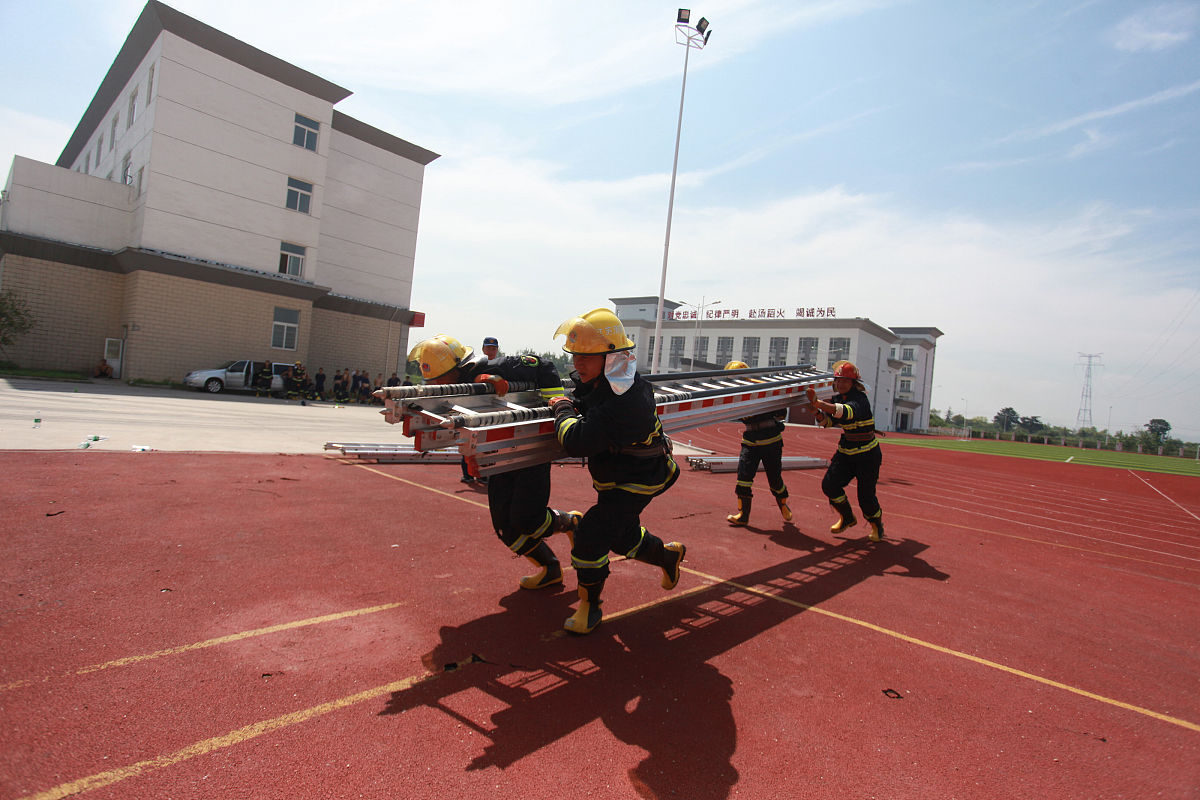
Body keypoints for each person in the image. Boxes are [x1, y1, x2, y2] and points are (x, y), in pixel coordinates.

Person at [548, 308, 686, 635]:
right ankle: (667, 558)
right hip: (618, 477)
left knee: (591, 537)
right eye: (575, 356)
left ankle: (589, 607)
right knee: (622, 537)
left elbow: (576, 440)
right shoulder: (606, 382)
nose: (577, 364)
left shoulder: (627, 400)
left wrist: (563, 409)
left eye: (586, 357)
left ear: (611, 357)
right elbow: (585, 401)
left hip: (640, 478)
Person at [407, 333, 579, 592]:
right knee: (504, 526)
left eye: (439, 379)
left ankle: (572, 523)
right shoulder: (455, 385)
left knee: (528, 520)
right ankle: (550, 568)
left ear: (456, 370)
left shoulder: (494, 367)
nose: (436, 385)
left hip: (529, 449)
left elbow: (544, 366)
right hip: (499, 454)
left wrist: (548, 410)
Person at [805, 360, 884, 542]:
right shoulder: (838, 398)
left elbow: (844, 413)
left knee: (866, 497)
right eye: (838, 381)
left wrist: (818, 404)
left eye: (845, 381)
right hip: (847, 451)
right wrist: (815, 411)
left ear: (854, 384)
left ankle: (876, 525)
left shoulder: (860, 400)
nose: (840, 384)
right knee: (829, 485)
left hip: (867, 454)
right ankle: (847, 517)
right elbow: (829, 422)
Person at [721, 361, 792, 527]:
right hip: (750, 441)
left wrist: (768, 400)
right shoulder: (733, 396)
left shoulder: (763, 389)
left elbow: (782, 413)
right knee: (743, 478)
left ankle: (782, 504)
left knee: (775, 480)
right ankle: (743, 515)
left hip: (771, 441)